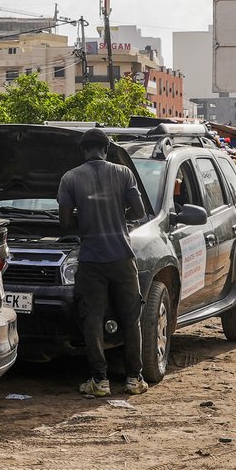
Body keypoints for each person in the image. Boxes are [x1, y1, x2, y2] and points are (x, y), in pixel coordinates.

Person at [57, 127, 149, 398]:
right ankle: (134, 379)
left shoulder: (70, 178)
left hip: (91, 259)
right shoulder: (124, 173)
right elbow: (140, 211)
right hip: (122, 256)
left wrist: (86, 221)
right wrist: (117, 217)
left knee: (92, 320)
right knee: (131, 318)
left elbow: (64, 223)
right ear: (106, 150)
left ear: (83, 151)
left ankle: (100, 381)